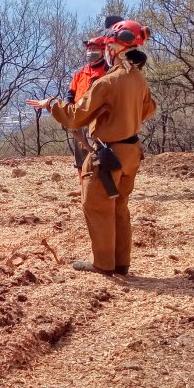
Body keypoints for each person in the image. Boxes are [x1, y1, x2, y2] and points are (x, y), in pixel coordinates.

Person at [27, 19, 156, 276]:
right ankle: (121, 262)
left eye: (108, 45)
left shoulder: (107, 83)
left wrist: (50, 104)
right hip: (131, 152)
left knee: (97, 205)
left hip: (109, 155)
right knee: (120, 206)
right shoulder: (137, 78)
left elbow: (75, 116)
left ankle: (103, 264)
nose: (104, 50)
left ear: (116, 48)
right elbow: (148, 109)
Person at [65, 40, 110, 182]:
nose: (90, 51)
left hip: (98, 119)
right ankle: (83, 186)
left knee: (98, 153)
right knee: (80, 154)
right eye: (89, 49)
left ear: (103, 51)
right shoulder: (80, 72)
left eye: (94, 49)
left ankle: (100, 185)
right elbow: (70, 94)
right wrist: (67, 113)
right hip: (78, 118)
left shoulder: (109, 71)